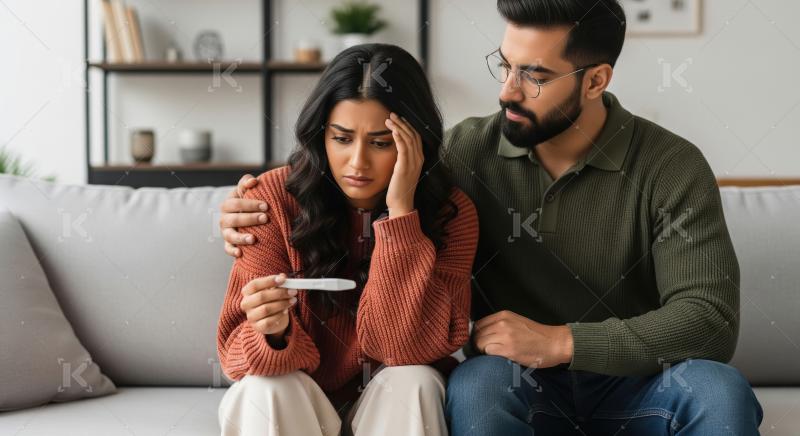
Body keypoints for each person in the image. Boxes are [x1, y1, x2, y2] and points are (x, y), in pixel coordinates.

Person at [219, 1, 764, 434]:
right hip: (517, 386)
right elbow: (358, 184)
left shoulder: (671, 167)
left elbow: (710, 320)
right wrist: (245, 212)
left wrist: (561, 342)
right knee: (475, 385)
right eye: (504, 65)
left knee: (721, 391)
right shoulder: (460, 157)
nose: (507, 89)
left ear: (596, 80)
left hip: (644, 386)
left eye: (535, 75)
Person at [215, 43, 478, 436]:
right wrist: (273, 333)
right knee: (267, 387)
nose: (357, 163)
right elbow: (235, 356)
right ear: (320, 135)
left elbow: (403, 349)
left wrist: (401, 213)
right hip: (300, 404)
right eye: (341, 139)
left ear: (415, 143)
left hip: (390, 402)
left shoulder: (450, 214)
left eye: (379, 143)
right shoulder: (267, 202)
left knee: (416, 380)